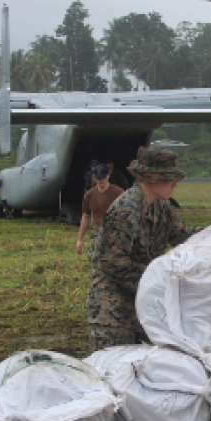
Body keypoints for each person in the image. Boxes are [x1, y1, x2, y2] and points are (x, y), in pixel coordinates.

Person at [86, 146, 195, 351]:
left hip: (143, 309)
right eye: (168, 179)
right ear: (152, 180)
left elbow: (182, 236)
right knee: (112, 373)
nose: (174, 184)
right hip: (113, 313)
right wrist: (159, 280)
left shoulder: (161, 207)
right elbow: (112, 263)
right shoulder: (126, 210)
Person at [75, 161, 124, 257]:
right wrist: (79, 239)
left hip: (114, 233)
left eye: (103, 178)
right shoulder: (89, 195)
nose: (101, 181)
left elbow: (126, 215)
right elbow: (86, 216)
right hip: (96, 232)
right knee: (94, 258)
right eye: (98, 178)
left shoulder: (119, 193)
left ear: (108, 175)